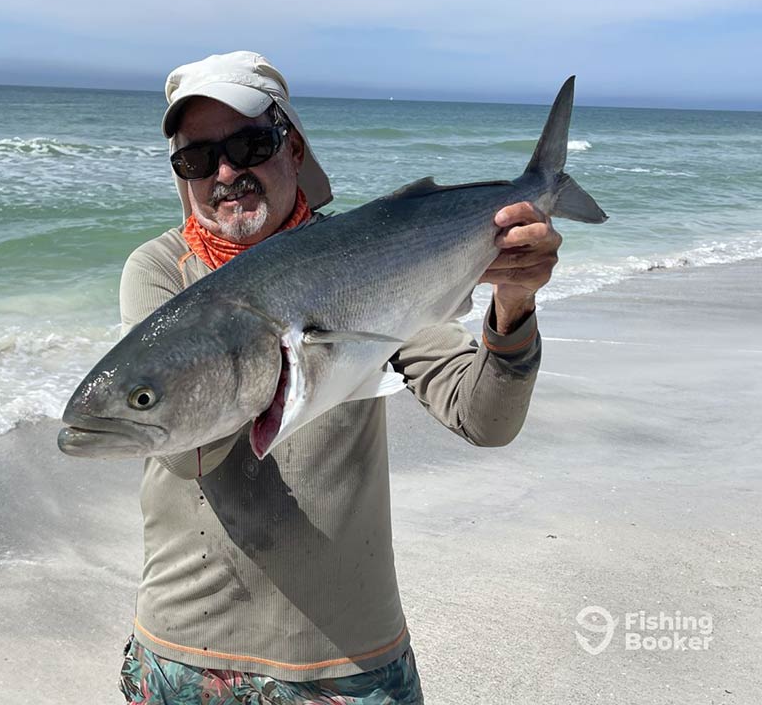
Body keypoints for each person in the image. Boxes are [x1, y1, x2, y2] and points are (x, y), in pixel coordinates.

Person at [115, 51, 561, 704]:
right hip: (187, 655)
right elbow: (183, 454)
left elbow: (485, 419)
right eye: (198, 159)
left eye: (250, 143)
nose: (228, 172)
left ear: (293, 148)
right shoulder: (161, 272)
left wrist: (513, 302)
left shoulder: (374, 259)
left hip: (350, 661)